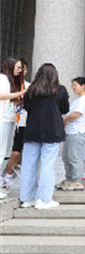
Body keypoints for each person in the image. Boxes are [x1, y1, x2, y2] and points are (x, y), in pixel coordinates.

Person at [19, 63, 69, 209]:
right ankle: (44, 199)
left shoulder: (31, 90)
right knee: (47, 165)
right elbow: (65, 109)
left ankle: (27, 198)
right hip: (52, 132)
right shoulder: (60, 90)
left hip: (32, 131)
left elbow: (27, 108)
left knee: (28, 165)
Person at [56, 77, 85, 191]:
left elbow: (77, 114)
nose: (73, 87)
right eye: (72, 85)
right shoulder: (78, 100)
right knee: (66, 157)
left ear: (83, 86)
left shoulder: (84, 99)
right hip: (71, 131)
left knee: (74, 157)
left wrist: (64, 119)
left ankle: (77, 181)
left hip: (78, 131)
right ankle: (69, 179)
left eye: (75, 85)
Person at [2, 58, 30, 192]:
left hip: (16, 121)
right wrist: (20, 94)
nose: (20, 71)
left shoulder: (22, 84)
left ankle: (5, 176)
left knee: (10, 153)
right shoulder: (4, 80)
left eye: (22, 68)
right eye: (18, 68)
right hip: (4, 119)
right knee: (3, 151)